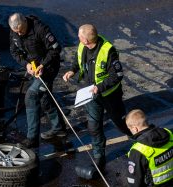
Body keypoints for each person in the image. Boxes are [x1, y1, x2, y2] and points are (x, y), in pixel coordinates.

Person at [63, 24, 131, 169]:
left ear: (87, 40)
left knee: (121, 123)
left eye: (80, 37)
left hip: (109, 96)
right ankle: (99, 156)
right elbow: (78, 59)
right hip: (90, 95)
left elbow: (117, 75)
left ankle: (138, 141)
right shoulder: (83, 46)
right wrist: (72, 70)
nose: (78, 39)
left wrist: (99, 88)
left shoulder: (108, 51)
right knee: (94, 126)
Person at [8, 13, 66, 148]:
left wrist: (43, 65)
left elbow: (56, 49)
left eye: (21, 31)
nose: (20, 34)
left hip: (49, 68)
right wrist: (26, 64)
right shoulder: (14, 31)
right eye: (16, 32)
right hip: (33, 68)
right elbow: (14, 51)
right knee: (44, 98)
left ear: (25, 23)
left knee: (31, 96)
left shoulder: (40, 29)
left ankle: (32, 138)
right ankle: (59, 128)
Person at [121, 109, 173, 187]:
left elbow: (135, 181)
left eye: (130, 129)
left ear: (135, 128)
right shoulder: (168, 134)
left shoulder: (138, 151)